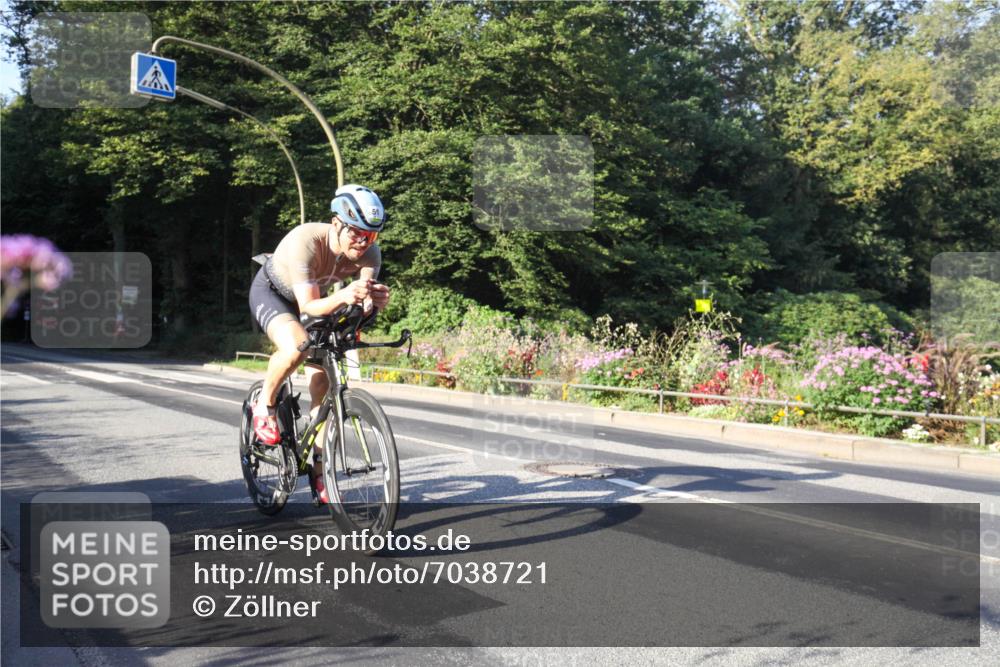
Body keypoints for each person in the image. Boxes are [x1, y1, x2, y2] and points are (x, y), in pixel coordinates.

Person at [247, 184, 391, 502]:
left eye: (371, 235)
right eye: (356, 233)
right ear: (336, 223)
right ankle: (265, 405)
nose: (363, 242)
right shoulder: (306, 241)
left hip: (320, 301)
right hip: (275, 294)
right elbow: (309, 307)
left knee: (323, 380)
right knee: (297, 346)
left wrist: (374, 303)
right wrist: (343, 294)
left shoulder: (371, 254)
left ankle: (321, 467)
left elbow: (359, 308)